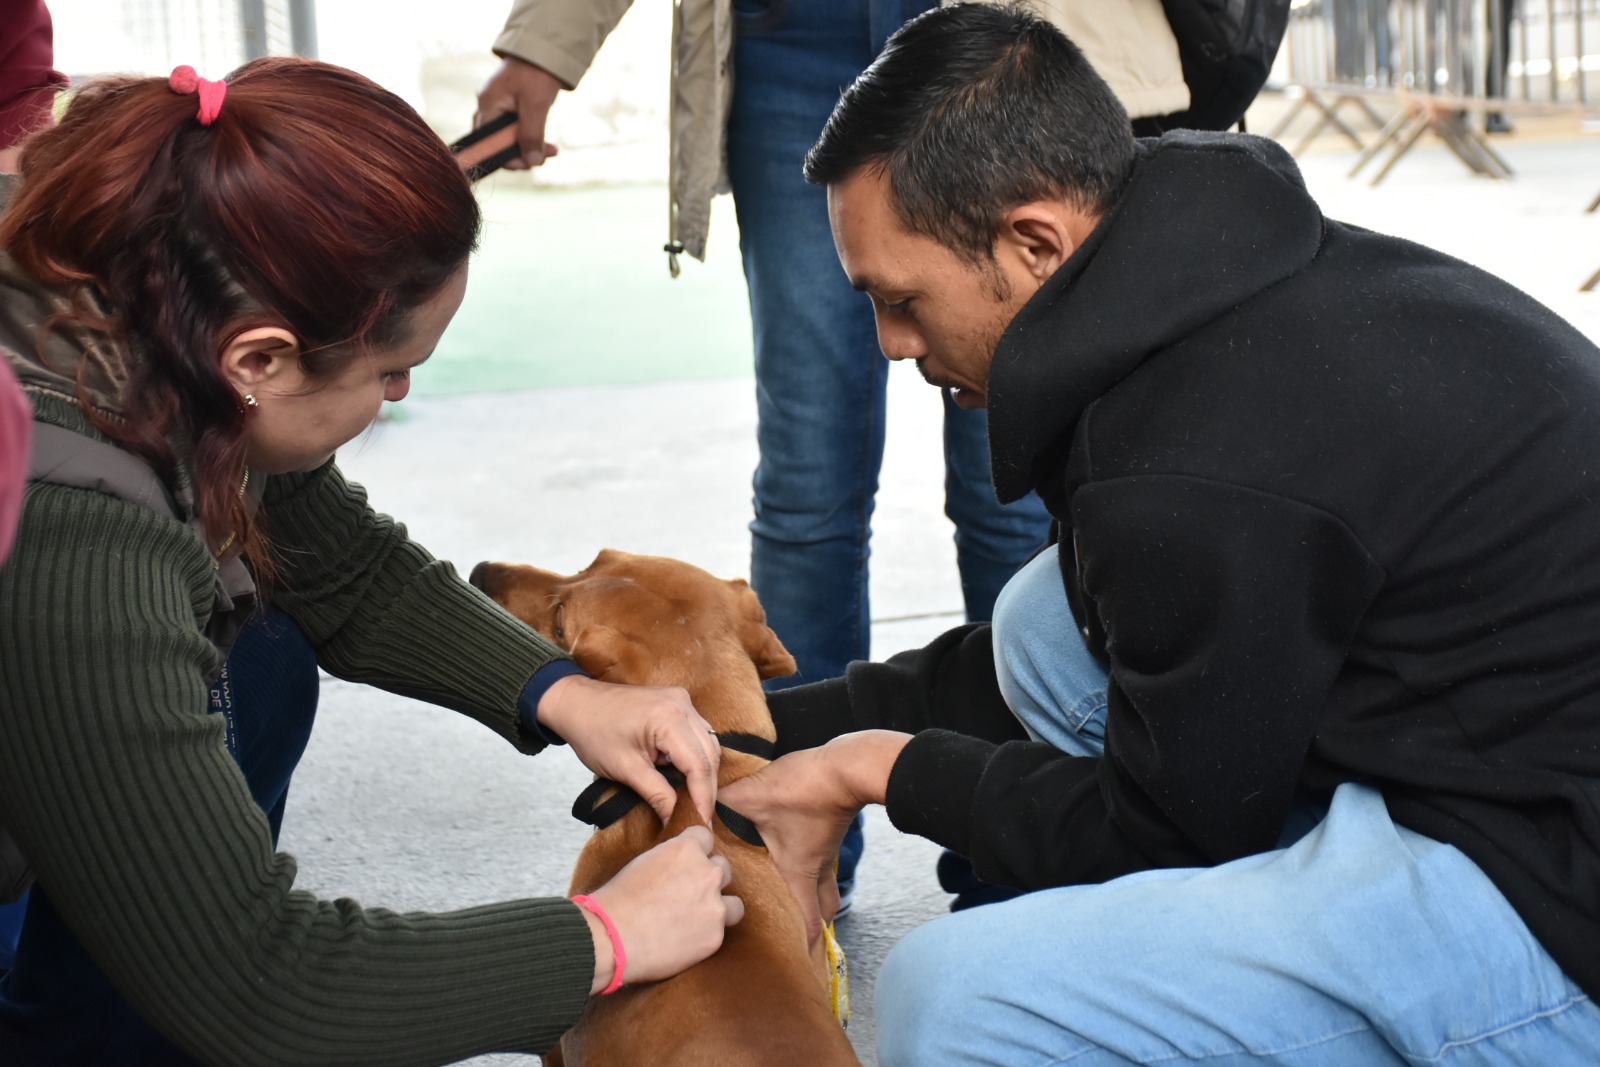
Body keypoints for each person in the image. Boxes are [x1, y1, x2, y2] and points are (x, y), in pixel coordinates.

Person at [720, 5, 1600, 1063]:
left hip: (1552, 905)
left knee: (951, 997)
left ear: (1034, 240)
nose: (889, 343)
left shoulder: (1188, 465)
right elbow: (1124, 649)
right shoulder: (1208, 272)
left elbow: (1168, 826)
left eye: (901, 300)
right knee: (1044, 623)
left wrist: (882, 770)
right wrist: (756, 724)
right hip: (1501, 761)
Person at [0, 58, 746, 1065]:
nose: (396, 394)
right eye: (392, 370)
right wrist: (605, 938)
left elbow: (331, 555)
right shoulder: (76, 531)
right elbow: (257, 981)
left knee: (260, 659)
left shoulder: (139, 282)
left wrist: (558, 689)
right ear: (258, 359)